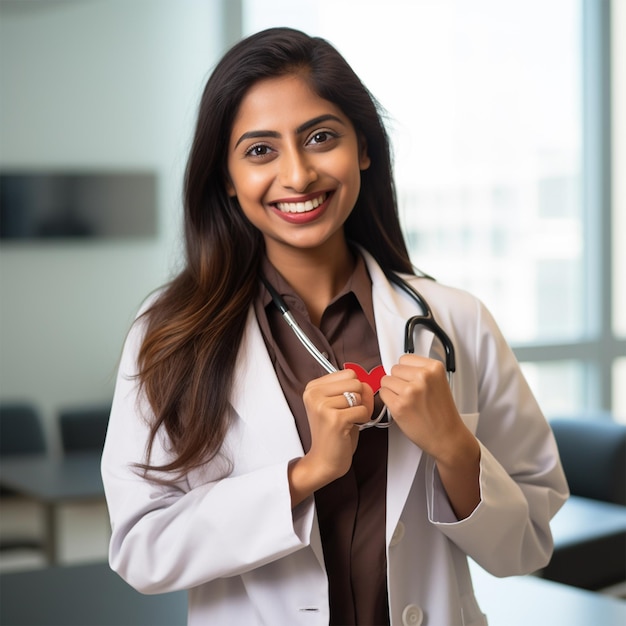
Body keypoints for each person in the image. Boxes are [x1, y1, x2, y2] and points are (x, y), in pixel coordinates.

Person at [101, 27, 569, 626]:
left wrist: (454, 445)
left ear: (364, 150)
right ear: (226, 177)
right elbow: (143, 549)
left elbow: (526, 543)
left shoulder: (456, 320)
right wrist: (306, 473)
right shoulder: (169, 332)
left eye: (320, 138)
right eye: (260, 150)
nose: (297, 176)